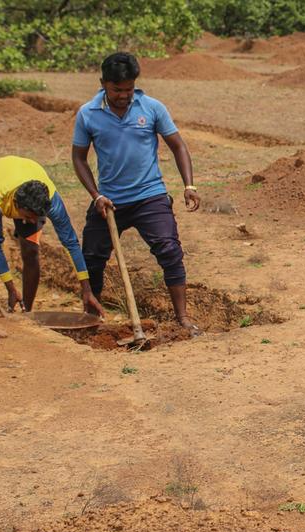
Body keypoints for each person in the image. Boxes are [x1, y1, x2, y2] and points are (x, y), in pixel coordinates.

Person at [71, 51, 201, 331]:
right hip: (108, 200)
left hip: (149, 196)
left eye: (129, 89)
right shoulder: (88, 114)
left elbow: (178, 145)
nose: (123, 95)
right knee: (91, 256)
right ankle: (91, 317)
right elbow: (79, 158)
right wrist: (96, 196)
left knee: (169, 250)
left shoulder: (152, 108)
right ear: (103, 83)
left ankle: (183, 318)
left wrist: (188, 185)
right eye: (117, 90)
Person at [0, 156, 103, 314]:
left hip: (29, 170)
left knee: (30, 251)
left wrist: (86, 289)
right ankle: (17, 297)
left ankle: (26, 311)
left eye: (37, 218)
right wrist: (10, 288)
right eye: (29, 217)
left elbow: (70, 243)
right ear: (16, 206)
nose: (32, 221)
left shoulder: (51, 202)